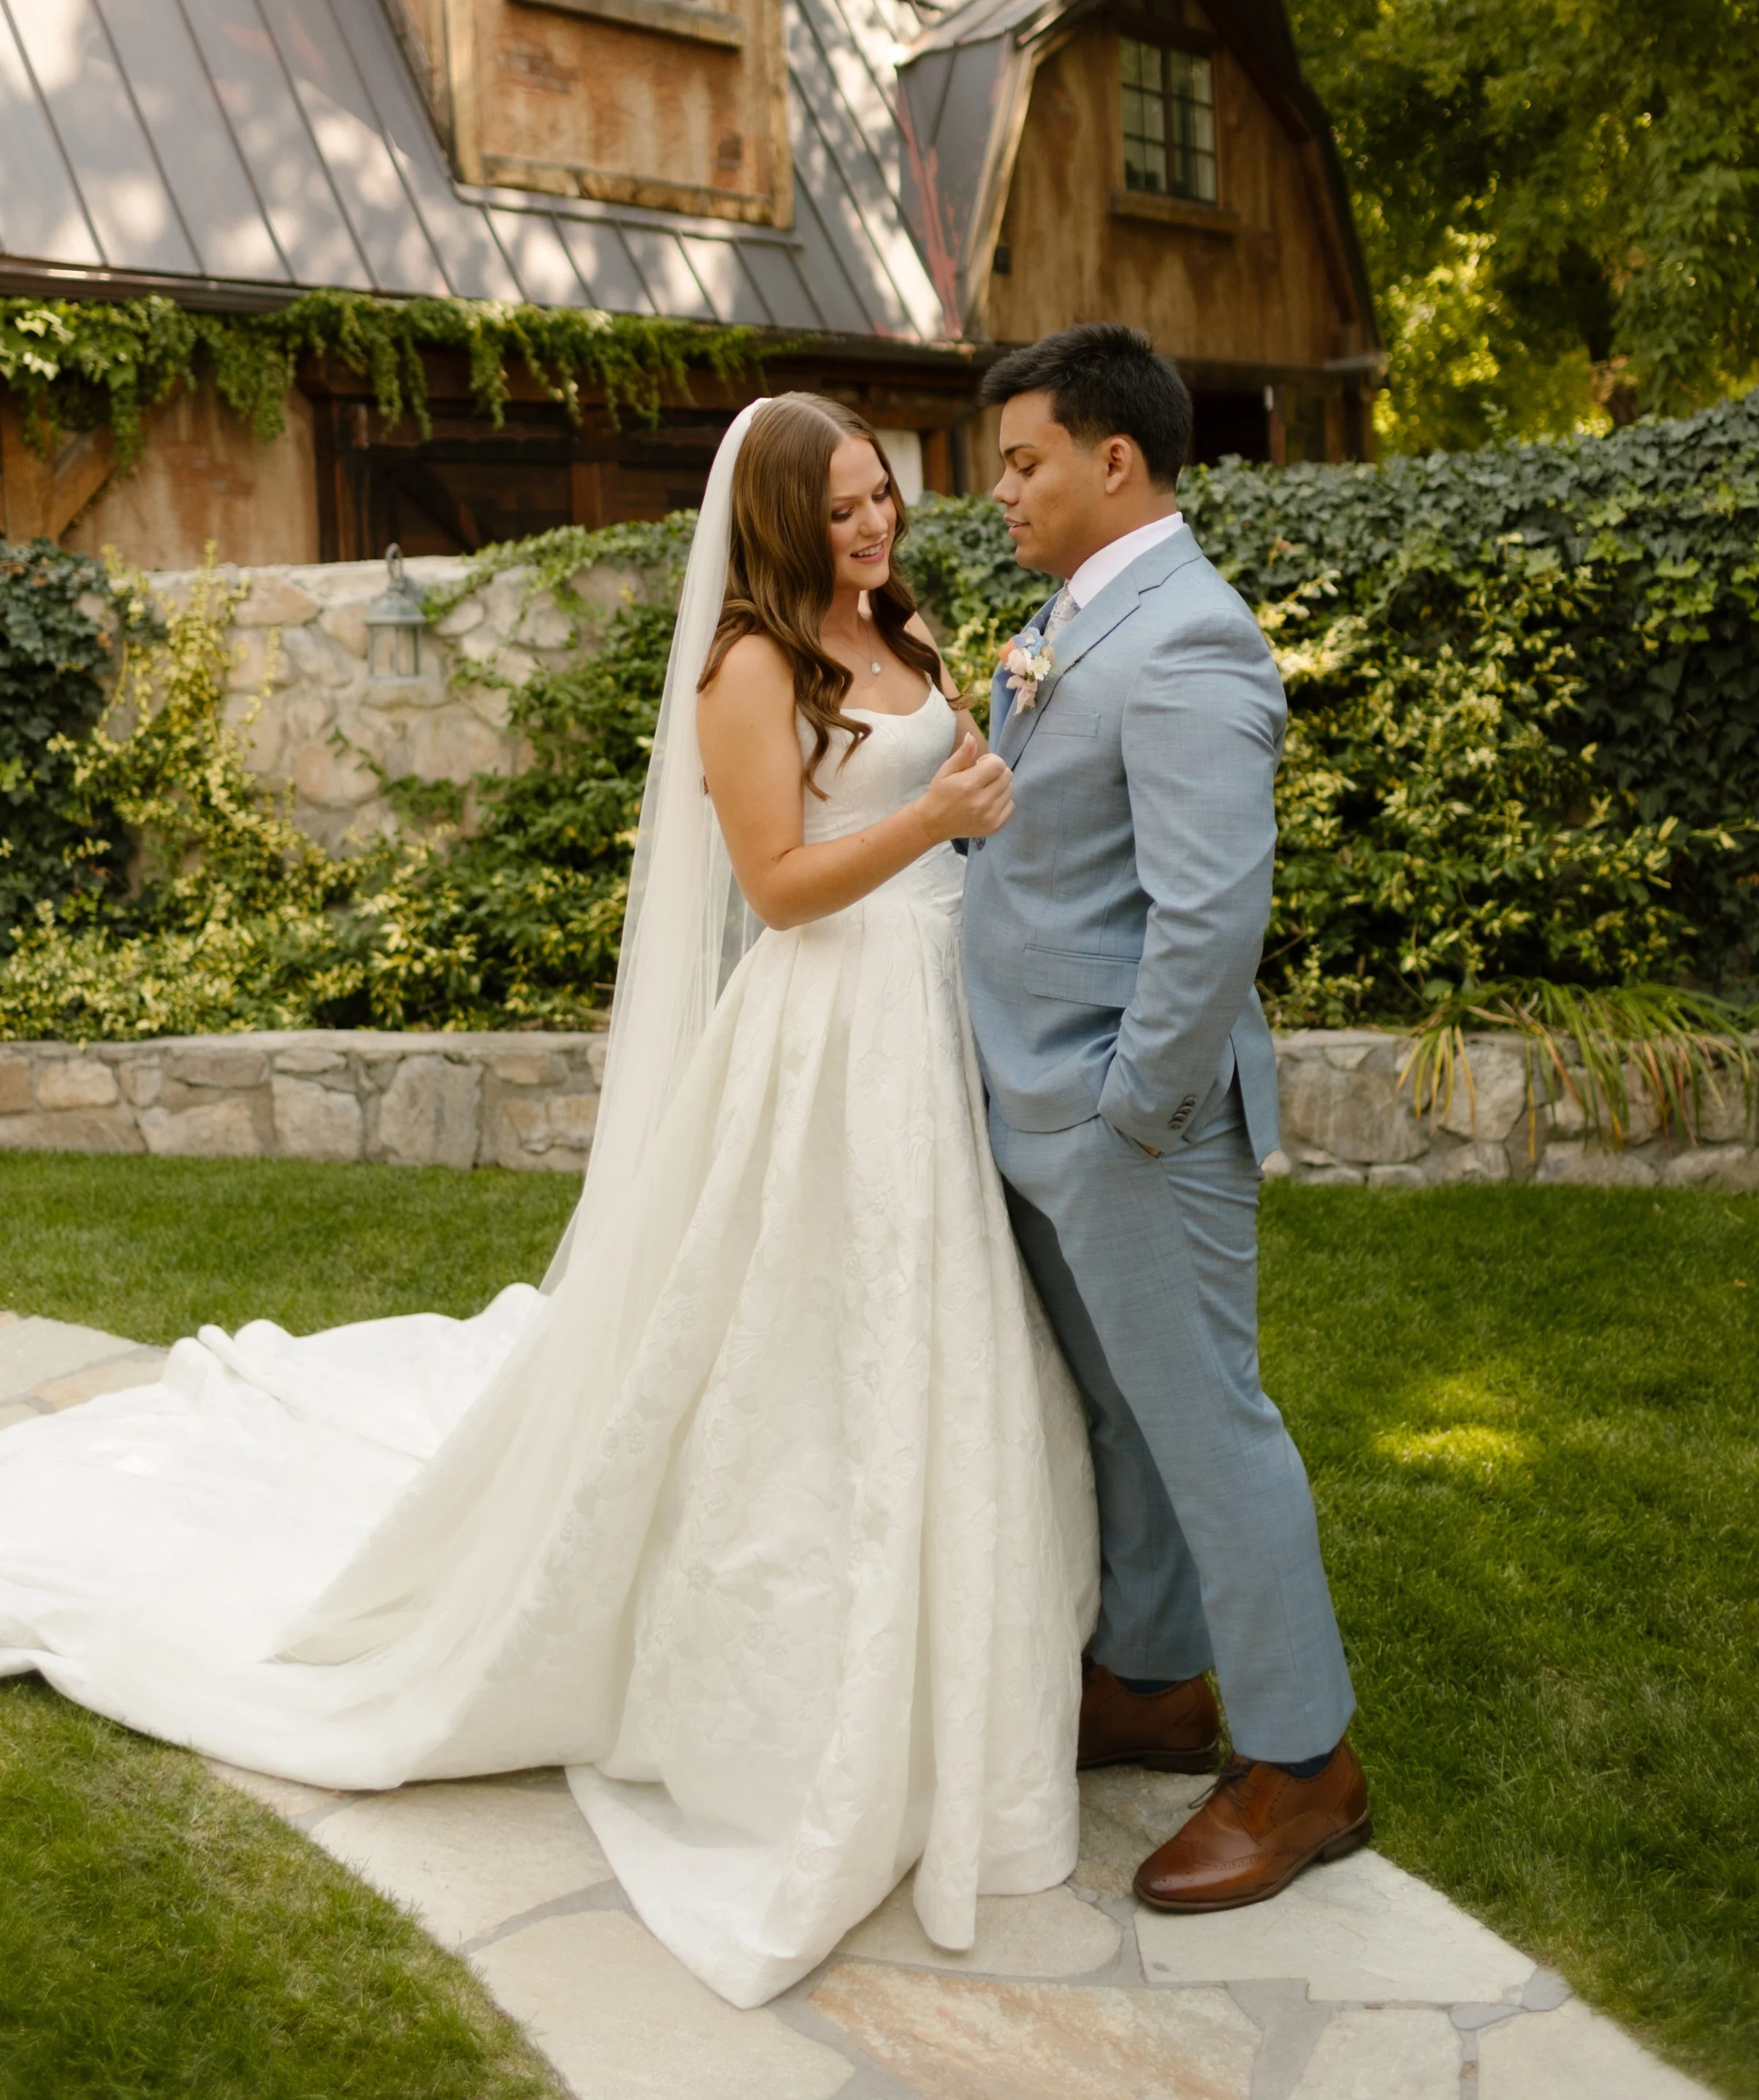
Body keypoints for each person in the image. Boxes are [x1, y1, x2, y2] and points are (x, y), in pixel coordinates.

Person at [0, 393, 1096, 2010]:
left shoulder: (900, 626)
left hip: (937, 1003)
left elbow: (936, 790)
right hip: (833, 1032)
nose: (876, 526)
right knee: (809, 1337)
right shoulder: (747, 668)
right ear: (780, 518)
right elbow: (779, 886)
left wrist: (976, 783)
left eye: (884, 496)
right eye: (844, 509)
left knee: (943, 1324)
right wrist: (930, 817)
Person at [963, 323, 1369, 1910]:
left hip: (1125, 1127)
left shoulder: (1194, 640)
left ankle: (1303, 1764)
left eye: (1023, 461)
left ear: (1113, 459)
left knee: (1209, 1429)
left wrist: (1129, 1114)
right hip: (1039, 1104)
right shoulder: (1068, 619)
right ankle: (1148, 1683)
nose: (1000, 491)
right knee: (1124, 1416)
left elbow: (1208, 921)